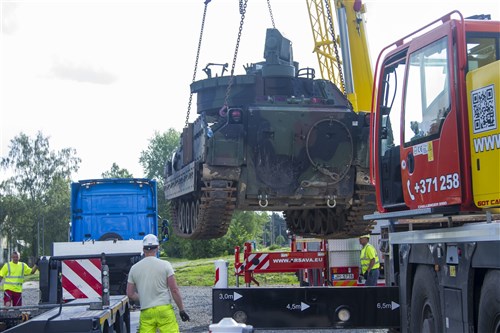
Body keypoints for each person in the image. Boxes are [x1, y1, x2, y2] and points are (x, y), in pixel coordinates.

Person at [127, 234, 190, 333]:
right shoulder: (166, 265)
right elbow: (174, 290)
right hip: (164, 310)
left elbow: (130, 294)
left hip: (146, 311)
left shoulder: (134, 268)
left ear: (143, 249)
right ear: (157, 248)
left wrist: (143, 297)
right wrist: (181, 310)